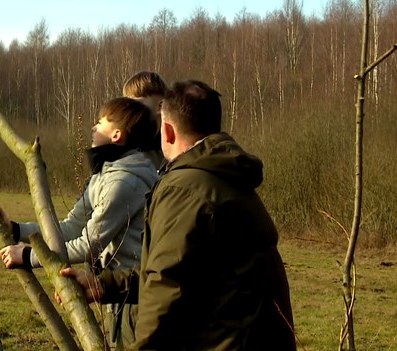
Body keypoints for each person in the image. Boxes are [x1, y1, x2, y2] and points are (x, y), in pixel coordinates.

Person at [60, 80, 297, 350]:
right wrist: (105, 285)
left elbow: (166, 286)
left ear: (169, 131)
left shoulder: (184, 189)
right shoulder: (228, 178)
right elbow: (184, 270)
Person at [0, 96, 159, 348]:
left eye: (100, 123)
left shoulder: (124, 184)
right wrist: (17, 229)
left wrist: (30, 257)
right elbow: (68, 228)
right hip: (116, 299)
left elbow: (88, 245)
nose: (93, 127)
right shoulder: (104, 176)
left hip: (133, 304)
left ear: (117, 134)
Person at [122, 71, 168, 170]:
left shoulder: (170, 148)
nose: (131, 108)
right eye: (129, 103)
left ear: (160, 106)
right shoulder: (124, 145)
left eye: (138, 102)